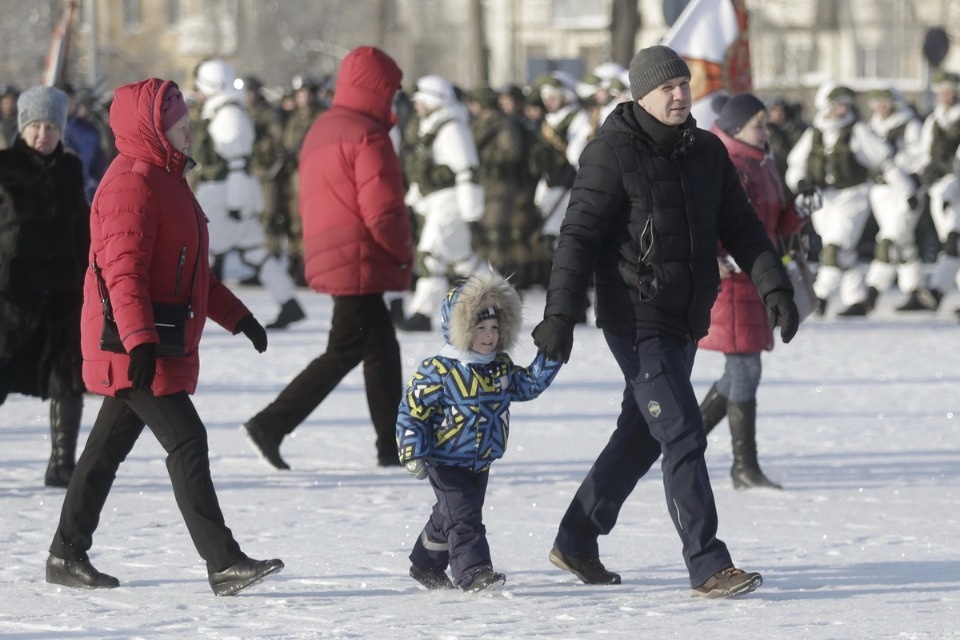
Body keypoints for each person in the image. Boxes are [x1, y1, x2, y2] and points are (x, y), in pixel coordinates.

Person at [530, 45, 799, 598]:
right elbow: (577, 236)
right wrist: (560, 314)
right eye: (666, 88)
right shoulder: (611, 153)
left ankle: (577, 536)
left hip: (686, 315)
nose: (679, 96)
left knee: (642, 434)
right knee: (681, 430)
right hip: (635, 315)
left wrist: (774, 284)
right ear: (640, 95)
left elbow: (744, 227)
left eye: (684, 85)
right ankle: (707, 562)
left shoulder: (705, 151)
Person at [46, 78, 283, 596]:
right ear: (154, 128)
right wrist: (140, 341)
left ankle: (65, 553)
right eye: (180, 123)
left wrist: (239, 317)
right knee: (187, 440)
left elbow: (193, 272)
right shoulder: (133, 183)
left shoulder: (167, 178)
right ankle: (222, 562)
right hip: (132, 345)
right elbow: (122, 271)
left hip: (150, 339)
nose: (191, 130)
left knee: (104, 451)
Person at [241, 46, 413, 470]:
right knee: (345, 349)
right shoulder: (369, 135)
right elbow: (383, 210)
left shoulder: (323, 126)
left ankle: (392, 446)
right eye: (390, 92)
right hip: (359, 254)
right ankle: (270, 424)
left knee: (381, 350)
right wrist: (402, 253)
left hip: (334, 249)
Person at [397, 272, 562, 592]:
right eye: (480, 328)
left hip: (481, 459)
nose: (488, 336)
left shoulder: (499, 367)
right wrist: (412, 450)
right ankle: (473, 572)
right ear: (460, 329)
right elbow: (412, 411)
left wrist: (551, 355)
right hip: (445, 459)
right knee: (465, 518)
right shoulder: (440, 369)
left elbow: (528, 385)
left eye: (495, 328)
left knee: (449, 516)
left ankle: (425, 563)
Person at [697, 93, 810, 490]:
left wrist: (800, 209)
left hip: (757, 278)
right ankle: (742, 467)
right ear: (735, 128)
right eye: (758, 125)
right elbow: (700, 218)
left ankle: (684, 443)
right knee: (745, 368)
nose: (766, 131)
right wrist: (713, 258)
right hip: (730, 282)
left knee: (741, 370)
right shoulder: (722, 163)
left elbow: (774, 226)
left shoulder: (763, 163)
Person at [0, 84, 89, 488]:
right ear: (22, 126)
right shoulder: (4, 167)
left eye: (51, 126)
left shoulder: (71, 171)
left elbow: (84, 228)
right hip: (10, 292)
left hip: (62, 291)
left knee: (68, 377)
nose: (43, 135)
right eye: (35, 125)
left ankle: (61, 463)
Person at [191, 58, 306, 329]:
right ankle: (289, 303)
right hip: (224, 194)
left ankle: (191, 309)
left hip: (223, 196)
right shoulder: (223, 111)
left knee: (200, 251)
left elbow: (237, 162)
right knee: (255, 251)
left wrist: (236, 202)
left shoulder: (227, 114)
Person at [785, 85, 898, 317]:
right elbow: (795, 163)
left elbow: (883, 157)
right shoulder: (815, 133)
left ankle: (819, 297)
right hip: (824, 200)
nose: (843, 108)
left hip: (852, 197)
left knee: (835, 248)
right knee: (840, 251)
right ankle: (857, 299)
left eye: (846, 104)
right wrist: (801, 184)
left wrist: (901, 187)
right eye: (838, 104)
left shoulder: (857, 131)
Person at [393, 74, 487, 332]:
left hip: (451, 204)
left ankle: (422, 313)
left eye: (421, 100)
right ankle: (501, 297)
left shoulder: (452, 129)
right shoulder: (432, 126)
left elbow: (467, 171)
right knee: (464, 261)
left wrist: (471, 214)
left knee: (429, 256)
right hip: (436, 203)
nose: (416, 105)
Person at [896, 70, 960, 313]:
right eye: (942, 91)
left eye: (950, 91)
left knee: (954, 241)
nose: (946, 96)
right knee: (950, 242)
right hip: (939, 189)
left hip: (955, 187)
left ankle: (938, 291)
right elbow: (925, 155)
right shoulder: (934, 120)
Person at [862, 87, 925, 311]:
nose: (881, 107)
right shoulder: (872, 126)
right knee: (904, 243)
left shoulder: (909, 124)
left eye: (885, 103)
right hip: (881, 192)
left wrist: (894, 159)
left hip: (905, 189)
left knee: (889, 239)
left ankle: (872, 290)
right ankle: (916, 290)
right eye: (878, 103)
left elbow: (919, 157)